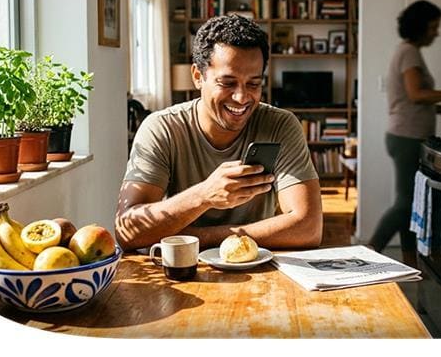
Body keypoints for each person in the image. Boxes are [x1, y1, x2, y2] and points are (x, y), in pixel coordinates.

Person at [116, 15, 323, 251]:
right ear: (197, 77)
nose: (242, 97)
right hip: (184, 272)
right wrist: (203, 195)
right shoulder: (161, 128)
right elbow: (127, 232)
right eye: (227, 83)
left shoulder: (280, 125)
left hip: (259, 272)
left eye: (254, 84)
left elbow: (309, 228)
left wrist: (195, 239)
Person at [368, 0, 441, 266]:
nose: (437, 33)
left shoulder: (409, 51)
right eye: (434, 27)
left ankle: (410, 263)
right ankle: (368, 253)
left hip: (407, 136)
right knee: (405, 203)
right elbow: (416, 94)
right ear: (420, 27)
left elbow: (414, 97)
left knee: (411, 202)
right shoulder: (409, 52)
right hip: (406, 137)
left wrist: (440, 106)